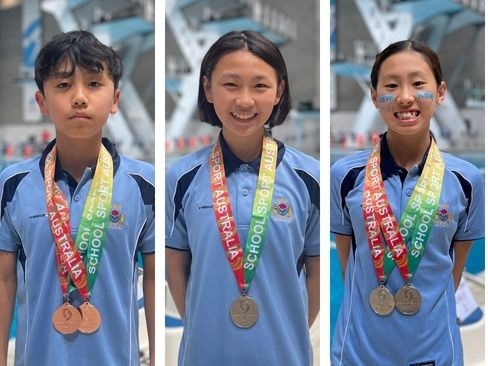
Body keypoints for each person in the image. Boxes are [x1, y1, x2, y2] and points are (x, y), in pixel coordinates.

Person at [0, 30, 154, 366]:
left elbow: (155, 278)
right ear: (42, 101)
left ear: (115, 100)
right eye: (64, 85)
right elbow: (4, 279)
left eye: (94, 84)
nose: (79, 97)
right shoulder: (12, 185)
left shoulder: (145, 184)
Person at [165, 30, 320, 365]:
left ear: (279, 90)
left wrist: (283, 328)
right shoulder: (181, 178)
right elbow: (175, 272)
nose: (245, 100)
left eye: (260, 86)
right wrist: (205, 325)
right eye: (231, 85)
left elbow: (317, 276)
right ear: (208, 89)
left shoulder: (310, 178)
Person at [330, 39, 485, 365]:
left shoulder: (467, 180)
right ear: (374, 96)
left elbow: (452, 272)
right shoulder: (345, 175)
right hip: (358, 351)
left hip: (434, 352)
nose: (404, 97)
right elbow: (349, 262)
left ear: (440, 93)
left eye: (418, 84)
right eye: (390, 85)